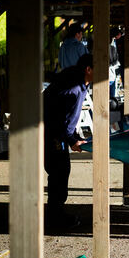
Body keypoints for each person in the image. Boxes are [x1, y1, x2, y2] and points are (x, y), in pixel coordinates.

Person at [44, 53, 93, 228]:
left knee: (60, 172)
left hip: (56, 133)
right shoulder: (72, 89)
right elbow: (59, 119)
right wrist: (72, 139)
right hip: (53, 135)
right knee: (59, 172)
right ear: (88, 69)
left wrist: (74, 136)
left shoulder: (77, 82)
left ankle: (55, 214)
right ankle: (54, 218)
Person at [109, 27, 122, 98]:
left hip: (110, 72)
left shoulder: (113, 45)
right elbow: (115, 60)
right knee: (111, 96)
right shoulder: (112, 46)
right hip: (110, 73)